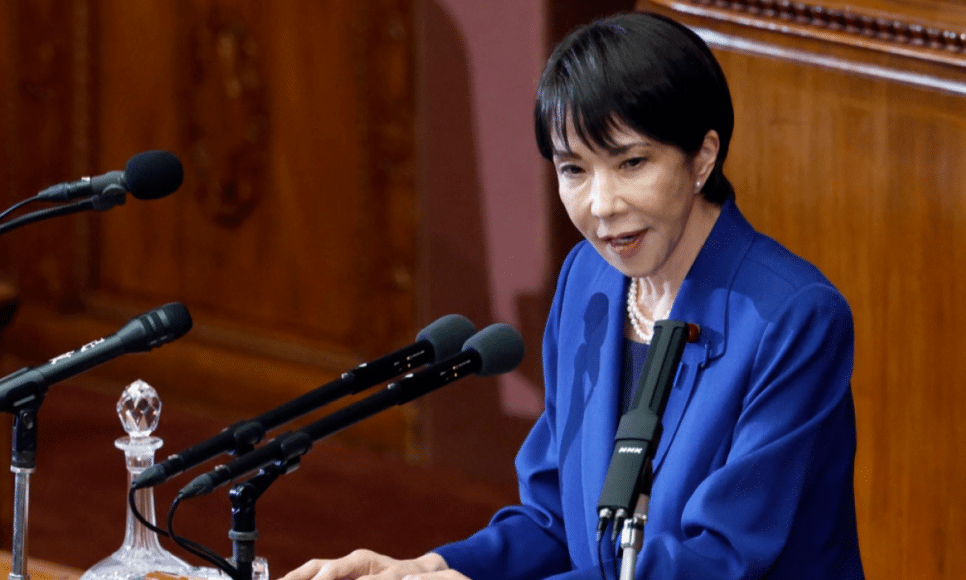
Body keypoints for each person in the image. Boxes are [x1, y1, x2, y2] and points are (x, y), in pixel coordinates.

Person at [281, 11, 865, 580]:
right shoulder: (589, 279)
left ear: (703, 157)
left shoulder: (794, 318)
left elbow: (719, 559)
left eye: (631, 162)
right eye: (574, 170)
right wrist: (432, 568)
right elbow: (554, 519)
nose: (602, 205)